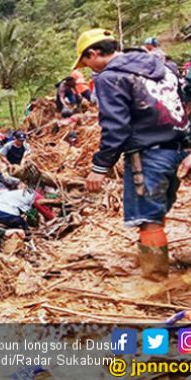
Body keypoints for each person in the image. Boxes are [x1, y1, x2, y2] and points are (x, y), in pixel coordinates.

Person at [73, 28, 190, 281]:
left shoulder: (110, 78)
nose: (88, 68)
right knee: (160, 209)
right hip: (181, 147)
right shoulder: (163, 66)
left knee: (149, 217)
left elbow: (116, 128)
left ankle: (155, 282)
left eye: (86, 62)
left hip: (147, 155)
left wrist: (100, 167)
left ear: (94, 53)